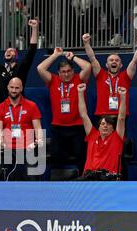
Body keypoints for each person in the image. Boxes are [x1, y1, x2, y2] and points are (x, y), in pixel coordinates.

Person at [36, 47, 91, 175]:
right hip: (58, 128)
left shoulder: (79, 79)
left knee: (81, 154)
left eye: (69, 71)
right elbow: (40, 68)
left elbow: (88, 67)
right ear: (58, 72)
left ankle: (83, 180)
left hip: (77, 127)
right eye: (63, 72)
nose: (66, 74)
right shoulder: (53, 80)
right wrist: (55, 55)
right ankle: (59, 183)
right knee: (56, 155)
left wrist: (73, 57)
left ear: (73, 71)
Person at [82, 32, 137, 119]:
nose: (114, 62)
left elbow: (134, 61)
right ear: (107, 65)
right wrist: (86, 44)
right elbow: (92, 58)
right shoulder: (100, 75)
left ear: (121, 65)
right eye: (111, 60)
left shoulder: (125, 76)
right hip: (103, 115)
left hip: (121, 116)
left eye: (117, 60)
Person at [0, 77, 44, 181]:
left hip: (27, 148)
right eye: (11, 87)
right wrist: (0, 143)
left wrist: (38, 141)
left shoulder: (31, 106)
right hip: (7, 149)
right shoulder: (0, 107)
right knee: (2, 175)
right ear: (7, 87)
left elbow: (38, 128)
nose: (14, 90)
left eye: (16, 88)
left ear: (21, 89)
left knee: (32, 181)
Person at [76, 83, 126, 180]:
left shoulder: (117, 137)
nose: (105, 126)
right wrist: (80, 93)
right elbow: (83, 115)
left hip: (108, 179)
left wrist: (123, 97)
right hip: (88, 178)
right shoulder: (92, 135)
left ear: (113, 128)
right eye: (103, 124)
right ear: (98, 127)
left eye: (108, 124)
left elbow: (121, 118)